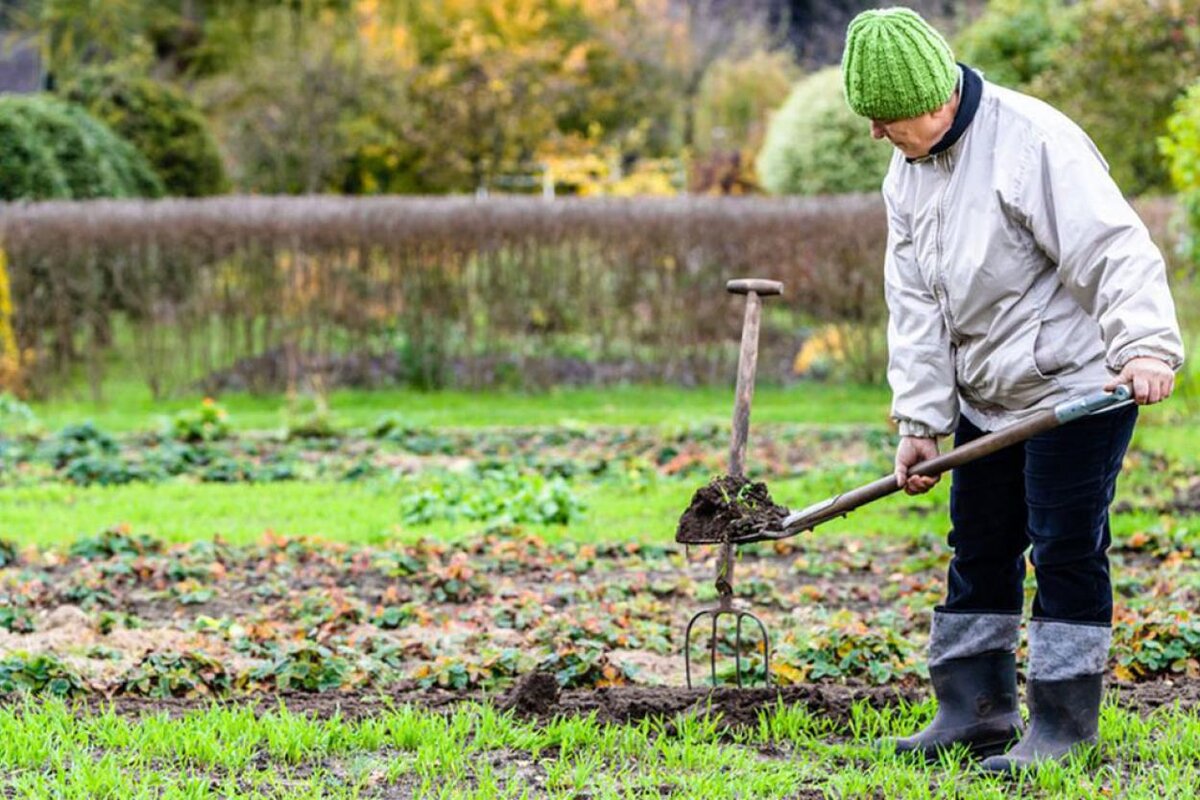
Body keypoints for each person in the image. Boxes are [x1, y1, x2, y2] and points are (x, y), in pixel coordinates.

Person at [839, 7, 1185, 772]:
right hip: (990, 396)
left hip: (1078, 385)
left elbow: (1112, 248)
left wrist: (1145, 346)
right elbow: (917, 303)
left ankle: (1062, 726)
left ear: (934, 101)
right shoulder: (910, 171)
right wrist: (922, 420)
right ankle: (974, 712)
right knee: (982, 543)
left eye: (886, 120)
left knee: (1063, 547)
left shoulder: (1033, 142)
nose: (877, 136)